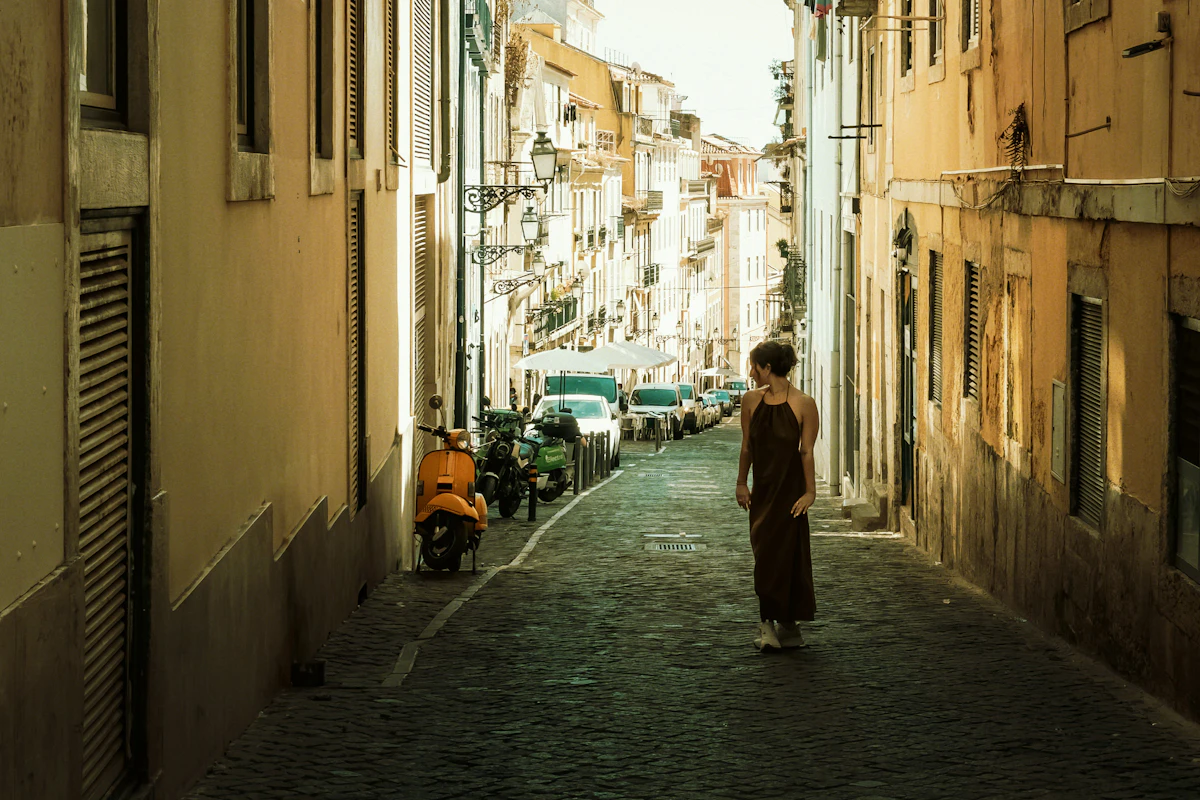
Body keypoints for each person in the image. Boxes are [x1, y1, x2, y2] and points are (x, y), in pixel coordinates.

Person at [735, 341, 819, 651]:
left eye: (754, 366)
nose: (751, 372)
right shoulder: (750, 401)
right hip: (762, 492)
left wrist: (810, 492)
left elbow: (807, 451)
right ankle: (767, 623)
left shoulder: (804, 404)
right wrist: (742, 483)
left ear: (767, 368)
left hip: (791, 493)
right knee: (765, 556)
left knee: (789, 558)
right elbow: (747, 446)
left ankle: (786, 623)